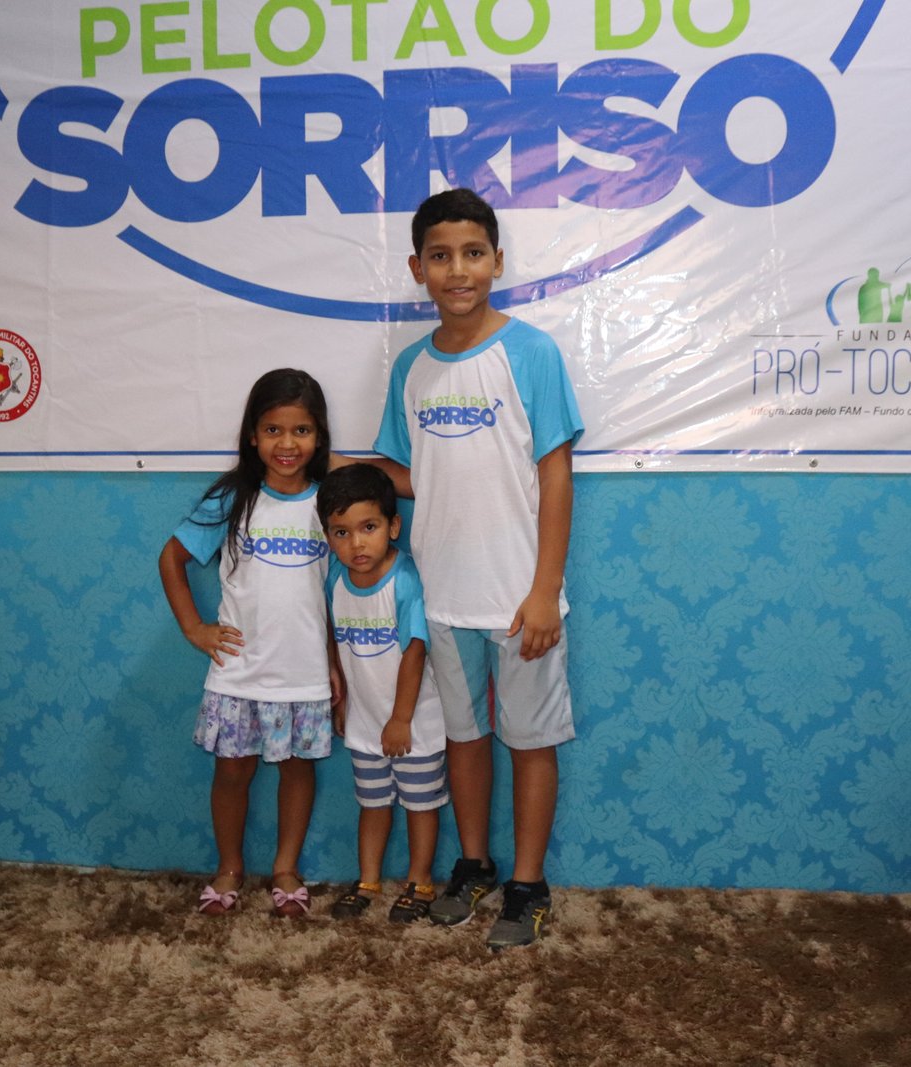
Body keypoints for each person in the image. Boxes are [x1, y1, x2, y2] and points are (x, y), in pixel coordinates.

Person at [366, 187, 584, 950]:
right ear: (417, 269)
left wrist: (545, 590)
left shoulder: (532, 353)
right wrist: (343, 467)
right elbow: (413, 473)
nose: (457, 270)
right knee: (464, 736)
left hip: (522, 599)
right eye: (440, 256)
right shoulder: (410, 369)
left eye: (472, 253)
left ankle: (528, 883)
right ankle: (475, 863)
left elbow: (555, 475)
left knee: (529, 739)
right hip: (443, 597)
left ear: (497, 260)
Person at [158, 368, 337, 918]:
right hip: (238, 670)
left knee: (297, 768)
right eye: (273, 430)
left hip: (304, 670)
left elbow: (338, 592)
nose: (287, 444)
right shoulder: (233, 499)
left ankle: (285, 868)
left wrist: (336, 664)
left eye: (301, 430)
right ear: (252, 435)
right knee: (232, 770)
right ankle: (229, 867)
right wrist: (194, 628)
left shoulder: (331, 502)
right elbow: (172, 558)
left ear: (319, 436)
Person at [316, 463, 447, 923]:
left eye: (368, 528)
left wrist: (401, 719)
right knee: (372, 805)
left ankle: (420, 881)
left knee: (420, 805)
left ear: (393, 526)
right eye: (342, 532)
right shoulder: (335, 579)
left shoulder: (405, 579)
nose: (356, 543)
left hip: (414, 723)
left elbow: (415, 652)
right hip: (365, 721)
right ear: (328, 536)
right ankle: (368, 879)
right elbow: (334, 636)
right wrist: (342, 699)